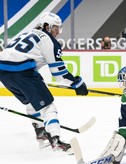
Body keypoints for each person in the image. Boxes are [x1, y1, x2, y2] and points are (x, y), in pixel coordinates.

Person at [0, 12, 88, 153]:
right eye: (56, 28)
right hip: (22, 72)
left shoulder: (27, 33)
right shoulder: (49, 41)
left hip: (3, 71)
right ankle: (56, 141)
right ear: (46, 26)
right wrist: (77, 83)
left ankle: (41, 134)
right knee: (48, 107)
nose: (58, 32)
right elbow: (59, 74)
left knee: (31, 102)